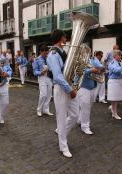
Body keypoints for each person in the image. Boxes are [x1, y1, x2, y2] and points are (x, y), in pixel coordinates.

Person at [47, 29, 78, 158]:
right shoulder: (53, 54)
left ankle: (61, 131)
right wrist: (69, 90)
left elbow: (69, 70)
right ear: (61, 38)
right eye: (65, 37)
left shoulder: (63, 52)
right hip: (61, 88)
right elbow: (58, 76)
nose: (67, 39)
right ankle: (63, 146)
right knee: (61, 118)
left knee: (75, 115)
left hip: (68, 86)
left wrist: (74, 83)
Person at [77, 57, 101, 135]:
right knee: (86, 108)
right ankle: (85, 127)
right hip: (84, 87)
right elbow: (79, 72)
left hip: (92, 87)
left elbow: (99, 67)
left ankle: (80, 120)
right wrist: (92, 70)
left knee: (88, 107)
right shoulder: (79, 60)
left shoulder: (92, 61)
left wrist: (98, 70)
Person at [107, 50, 122, 119]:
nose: (120, 56)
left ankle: (113, 111)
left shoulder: (119, 63)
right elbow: (116, 70)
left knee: (116, 98)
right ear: (115, 56)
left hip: (118, 82)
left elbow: (121, 70)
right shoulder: (111, 63)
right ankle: (114, 113)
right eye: (119, 55)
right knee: (114, 98)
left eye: (121, 55)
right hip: (114, 82)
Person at [33, 46, 54, 117]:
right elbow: (35, 71)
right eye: (44, 53)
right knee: (43, 94)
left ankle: (46, 110)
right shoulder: (37, 59)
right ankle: (39, 109)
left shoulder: (49, 58)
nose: (46, 55)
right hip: (42, 78)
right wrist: (40, 72)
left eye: (46, 53)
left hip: (49, 78)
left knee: (48, 95)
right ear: (41, 52)